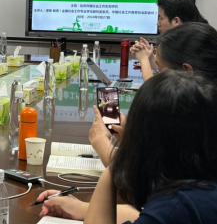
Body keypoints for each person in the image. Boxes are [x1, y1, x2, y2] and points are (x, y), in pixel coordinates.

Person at [36, 72, 217, 224]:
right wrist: (84, 209)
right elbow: (146, 215)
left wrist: (120, 162)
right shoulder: (196, 192)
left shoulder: (179, 210)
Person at [90, 22, 217, 166]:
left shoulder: (183, 117)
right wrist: (127, 139)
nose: (156, 77)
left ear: (185, 71)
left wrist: (99, 141)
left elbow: (136, 176)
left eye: (159, 71)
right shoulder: (203, 105)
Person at [131, 0, 207, 78]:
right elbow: (164, 70)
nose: (158, 23)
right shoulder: (186, 37)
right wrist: (150, 56)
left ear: (176, 21)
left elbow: (159, 86)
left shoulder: (192, 44)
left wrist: (144, 59)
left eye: (161, 18)